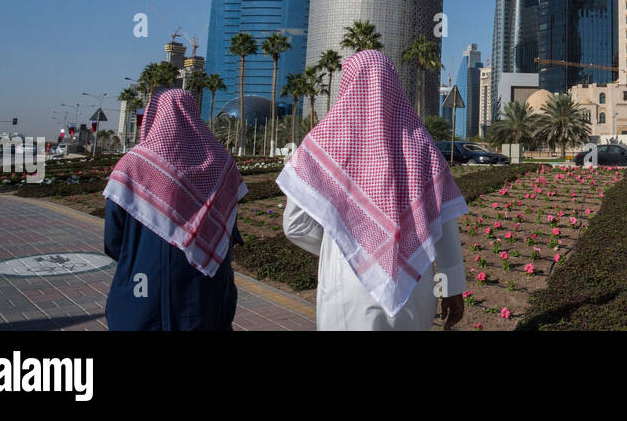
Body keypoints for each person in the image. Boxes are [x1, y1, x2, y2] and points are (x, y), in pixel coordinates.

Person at [280, 49, 466, 330]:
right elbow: (445, 226)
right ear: (393, 83)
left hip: (348, 283)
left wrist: (353, 245)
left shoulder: (325, 143)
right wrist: (453, 286)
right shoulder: (422, 145)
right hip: (415, 286)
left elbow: (295, 225)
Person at [102, 87, 246, 330]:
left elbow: (113, 240)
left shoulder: (133, 166)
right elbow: (228, 229)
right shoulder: (222, 165)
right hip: (206, 297)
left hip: (143, 296)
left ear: (154, 117)